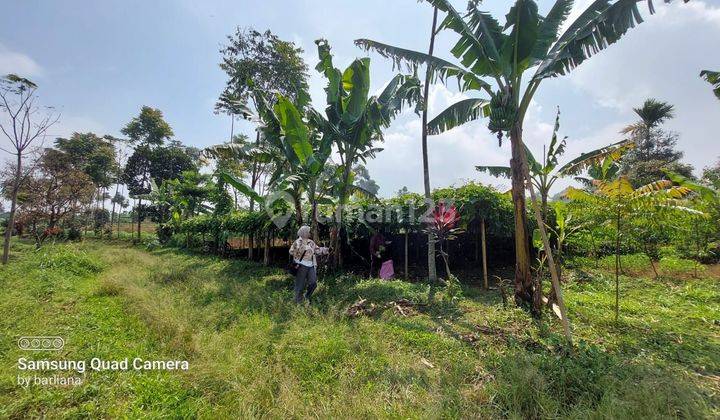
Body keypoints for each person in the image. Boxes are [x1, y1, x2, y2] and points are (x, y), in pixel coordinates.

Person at [289, 225, 329, 304]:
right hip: (301, 265)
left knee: (313, 283)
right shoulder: (297, 242)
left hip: (311, 265)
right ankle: (298, 302)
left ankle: (306, 296)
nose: (310, 232)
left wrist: (326, 250)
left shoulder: (311, 242)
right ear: (304, 232)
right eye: (309, 231)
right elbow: (291, 252)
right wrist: (301, 249)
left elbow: (317, 250)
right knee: (299, 285)